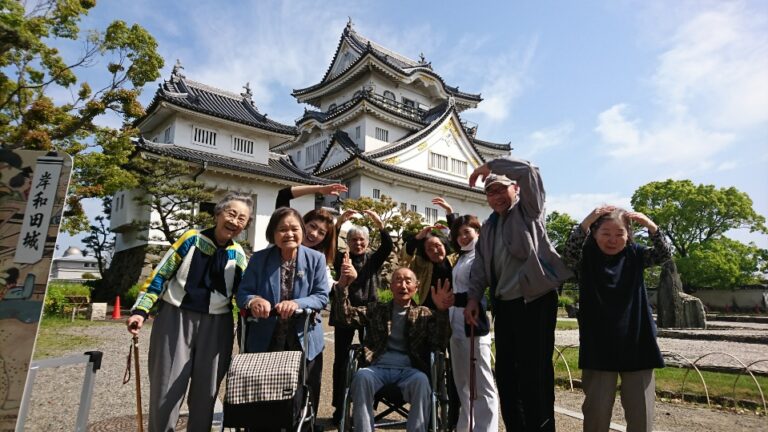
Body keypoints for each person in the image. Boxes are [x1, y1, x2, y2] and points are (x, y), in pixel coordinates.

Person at [126, 192, 251, 432]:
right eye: (231, 214)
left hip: (218, 325)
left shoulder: (238, 255)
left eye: (242, 219)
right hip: (176, 318)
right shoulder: (190, 239)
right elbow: (161, 274)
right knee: (167, 387)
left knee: (207, 392)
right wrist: (141, 310)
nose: (235, 221)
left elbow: (243, 293)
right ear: (218, 214)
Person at [464, 157, 573, 432]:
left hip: (535, 302)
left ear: (516, 189)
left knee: (534, 374)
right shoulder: (488, 228)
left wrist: (490, 167)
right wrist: (474, 298)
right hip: (506, 306)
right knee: (508, 376)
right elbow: (479, 268)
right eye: (490, 192)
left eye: (501, 189)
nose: (497, 196)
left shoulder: (529, 211)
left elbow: (530, 171)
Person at [563, 206, 671, 432]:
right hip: (599, 344)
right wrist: (587, 220)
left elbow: (664, 254)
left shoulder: (636, 254)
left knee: (641, 415)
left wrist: (651, 226)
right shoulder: (586, 257)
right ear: (593, 234)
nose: (612, 240)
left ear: (628, 235)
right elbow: (569, 252)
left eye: (619, 234)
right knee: (596, 414)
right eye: (605, 233)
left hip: (638, 341)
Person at [235, 207, 332, 423]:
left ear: (301, 230)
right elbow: (243, 293)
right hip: (265, 338)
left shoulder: (316, 259)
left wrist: (296, 303)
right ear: (273, 233)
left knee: (302, 398)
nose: (289, 234)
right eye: (282, 229)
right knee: (265, 399)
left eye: (294, 228)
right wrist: (254, 300)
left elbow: (321, 296)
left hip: (304, 339)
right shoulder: (259, 259)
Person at [333, 267, 453, 432]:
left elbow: (439, 342)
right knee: (361, 376)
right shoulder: (377, 309)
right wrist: (342, 287)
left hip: (410, 370)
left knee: (423, 381)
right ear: (390, 286)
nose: (403, 286)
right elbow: (345, 317)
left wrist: (441, 311)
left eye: (408, 281)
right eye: (398, 280)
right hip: (377, 367)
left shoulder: (424, 314)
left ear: (416, 287)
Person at [330, 209, 393, 424]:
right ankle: (339, 408)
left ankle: (367, 406)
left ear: (367, 242)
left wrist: (379, 224)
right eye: (354, 239)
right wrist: (338, 223)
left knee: (370, 358)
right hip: (344, 311)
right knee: (340, 360)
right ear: (347, 241)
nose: (358, 243)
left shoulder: (372, 260)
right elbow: (329, 245)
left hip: (370, 313)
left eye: (362, 240)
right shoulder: (341, 258)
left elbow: (388, 247)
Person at [448, 214, 499, 432]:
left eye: (467, 232)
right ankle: (466, 427)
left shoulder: (482, 254)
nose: (462, 237)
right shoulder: (461, 256)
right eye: (458, 234)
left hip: (474, 326)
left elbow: (480, 290)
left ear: (478, 232)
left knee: (482, 384)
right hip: (456, 326)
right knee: (463, 384)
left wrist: (454, 299)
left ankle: (486, 429)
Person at [275, 183, 352, 289]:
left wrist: (344, 280)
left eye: (321, 233)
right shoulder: (283, 239)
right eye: (312, 226)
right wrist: (319, 189)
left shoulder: (318, 258)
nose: (314, 233)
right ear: (303, 224)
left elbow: (328, 287)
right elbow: (283, 195)